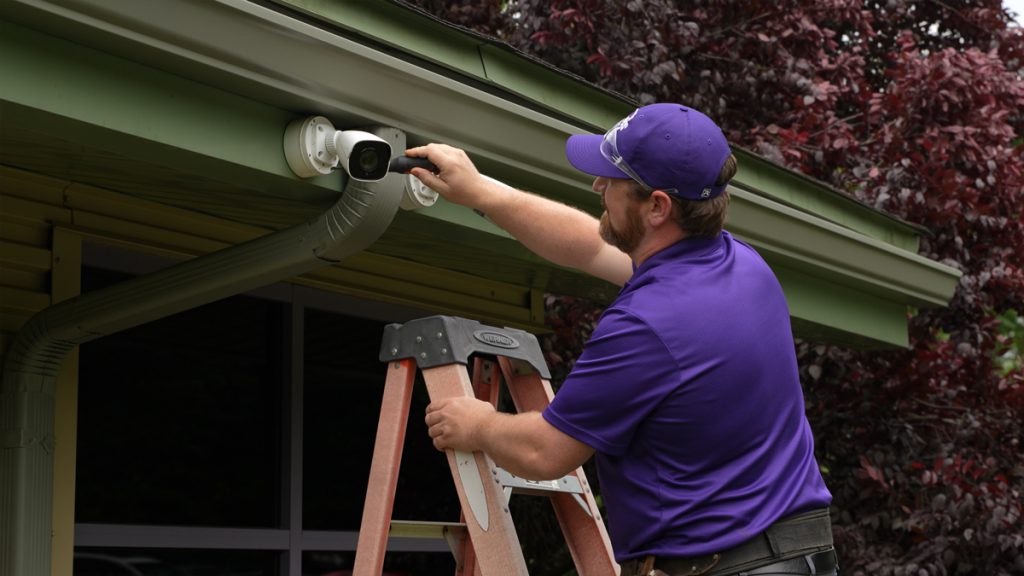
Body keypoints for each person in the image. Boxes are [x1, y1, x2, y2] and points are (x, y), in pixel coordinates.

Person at [408, 103, 838, 576]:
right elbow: (591, 245)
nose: (597, 186)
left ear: (657, 206)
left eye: (612, 180)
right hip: (800, 555)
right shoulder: (742, 266)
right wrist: (481, 192)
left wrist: (480, 424)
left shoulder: (646, 324)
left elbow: (546, 451)